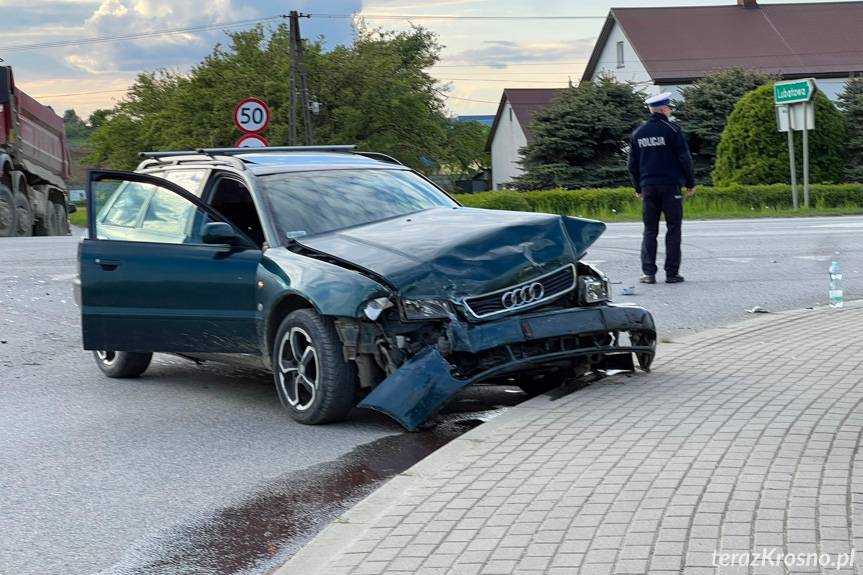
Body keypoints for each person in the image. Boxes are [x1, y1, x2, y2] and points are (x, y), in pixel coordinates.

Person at [627, 92, 695, 284]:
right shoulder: (672, 130)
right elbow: (685, 159)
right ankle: (672, 273)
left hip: (648, 187)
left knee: (650, 230)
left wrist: (637, 187)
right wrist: (690, 183)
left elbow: (632, 164)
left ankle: (648, 273)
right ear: (664, 109)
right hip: (670, 186)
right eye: (670, 108)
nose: (671, 111)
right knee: (673, 228)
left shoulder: (638, 133)